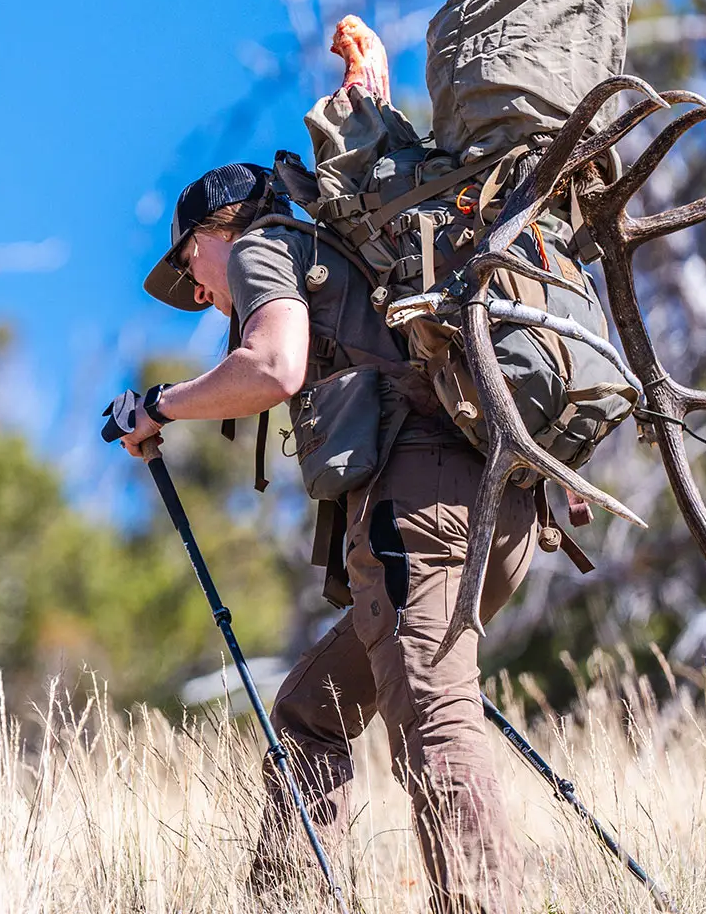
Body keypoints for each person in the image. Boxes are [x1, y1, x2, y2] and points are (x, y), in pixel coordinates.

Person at [115, 159, 539, 912]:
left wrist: (159, 405)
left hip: (421, 514)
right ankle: (287, 900)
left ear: (221, 229)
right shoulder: (338, 256)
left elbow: (274, 367)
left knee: (435, 725)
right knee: (312, 711)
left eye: (188, 261)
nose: (200, 289)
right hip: (500, 513)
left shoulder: (260, 247)